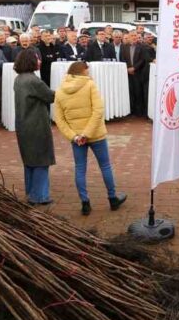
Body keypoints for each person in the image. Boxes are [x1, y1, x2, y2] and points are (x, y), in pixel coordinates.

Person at [53, 61, 127, 215]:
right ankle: (113, 199)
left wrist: (74, 136)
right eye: (88, 69)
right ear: (83, 70)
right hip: (95, 134)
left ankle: (85, 203)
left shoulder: (60, 91)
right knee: (105, 166)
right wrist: (87, 133)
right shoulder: (90, 85)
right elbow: (98, 110)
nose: (89, 72)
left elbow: (59, 119)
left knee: (80, 168)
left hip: (77, 138)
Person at [13, 50, 56, 205]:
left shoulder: (19, 78)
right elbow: (51, 96)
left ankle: (31, 193)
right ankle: (39, 196)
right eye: (37, 59)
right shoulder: (33, 80)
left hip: (24, 125)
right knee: (41, 161)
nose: (40, 61)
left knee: (29, 161)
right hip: (36, 125)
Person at [119, 32, 149, 117]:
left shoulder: (142, 47)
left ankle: (138, 112)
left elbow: (143, 60)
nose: (134, 37)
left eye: (135, 35)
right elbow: (122, 58)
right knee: (129, 92)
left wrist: (134, 68)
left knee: (138, 92)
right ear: (128, 37)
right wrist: (127, 68)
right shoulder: (124, 46)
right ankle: (130, 111)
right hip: (127, 73)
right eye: (132, 36)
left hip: (138, 73)